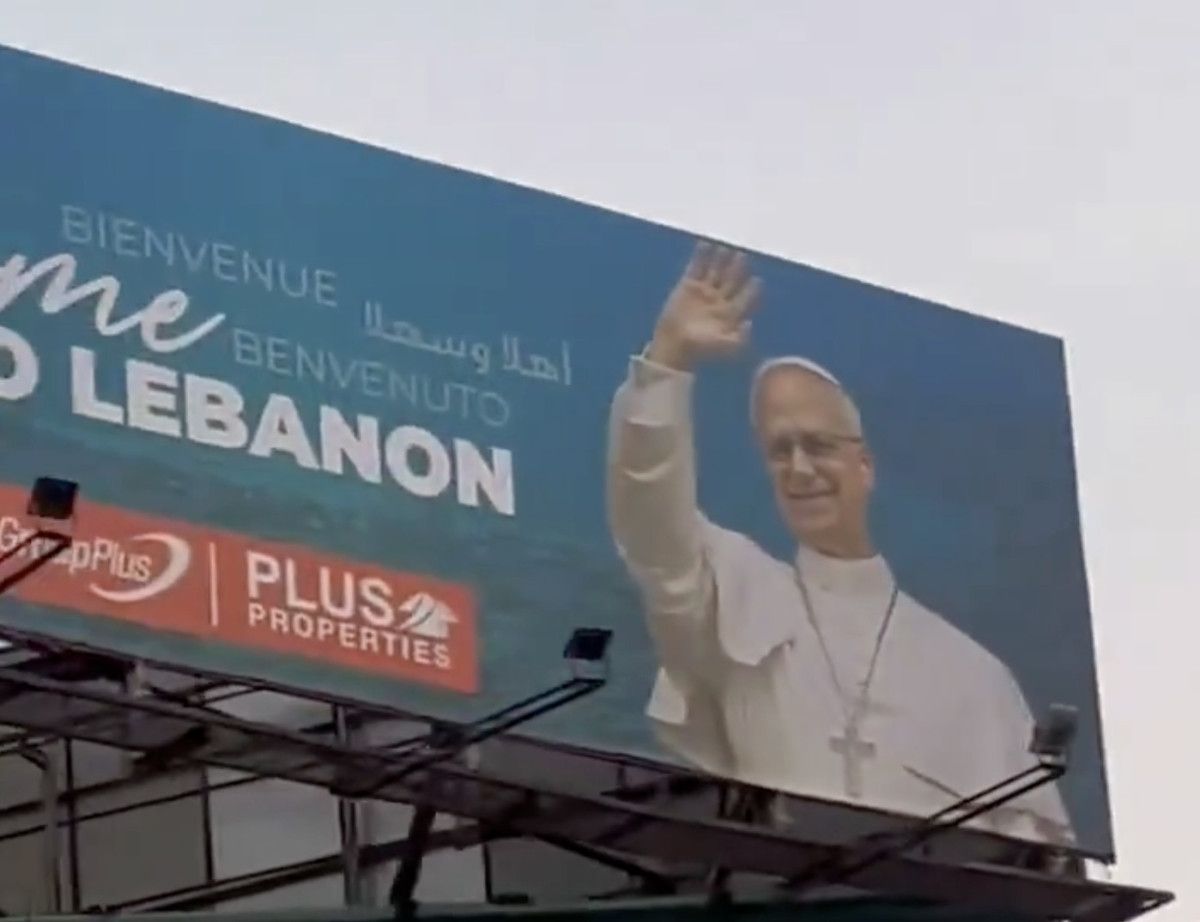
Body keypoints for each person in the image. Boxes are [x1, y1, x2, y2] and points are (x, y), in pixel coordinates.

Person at [606, 240, 1074, 845]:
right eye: (780, 451)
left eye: (819, 446)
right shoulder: (738, 590)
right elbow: (649, 522)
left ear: (865, 465)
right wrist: (668, 360)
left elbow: (1036, 861)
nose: (800, 469)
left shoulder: (976, 677)